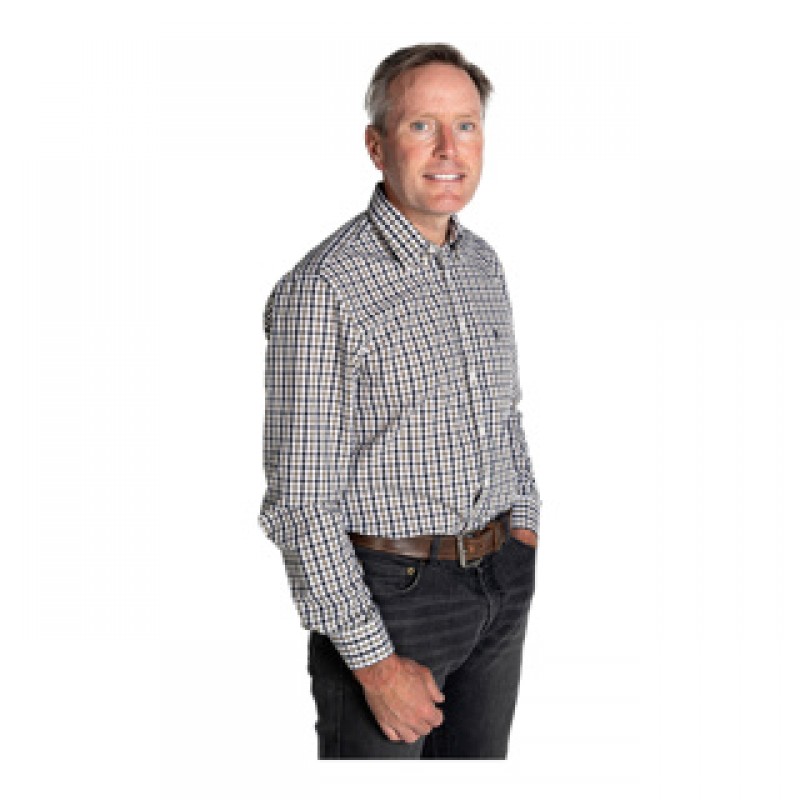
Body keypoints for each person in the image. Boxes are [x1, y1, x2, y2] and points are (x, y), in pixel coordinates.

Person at [258, 43, 541, 759]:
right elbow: (300, 501)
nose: (449, 149)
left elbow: (505, 417)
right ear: (376, 146)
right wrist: (374, 663)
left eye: (466, 126)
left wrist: (524, 530)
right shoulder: (322, 290)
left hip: (500, 582)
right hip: (391, 600)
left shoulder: (481, 264)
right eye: (422, 126)